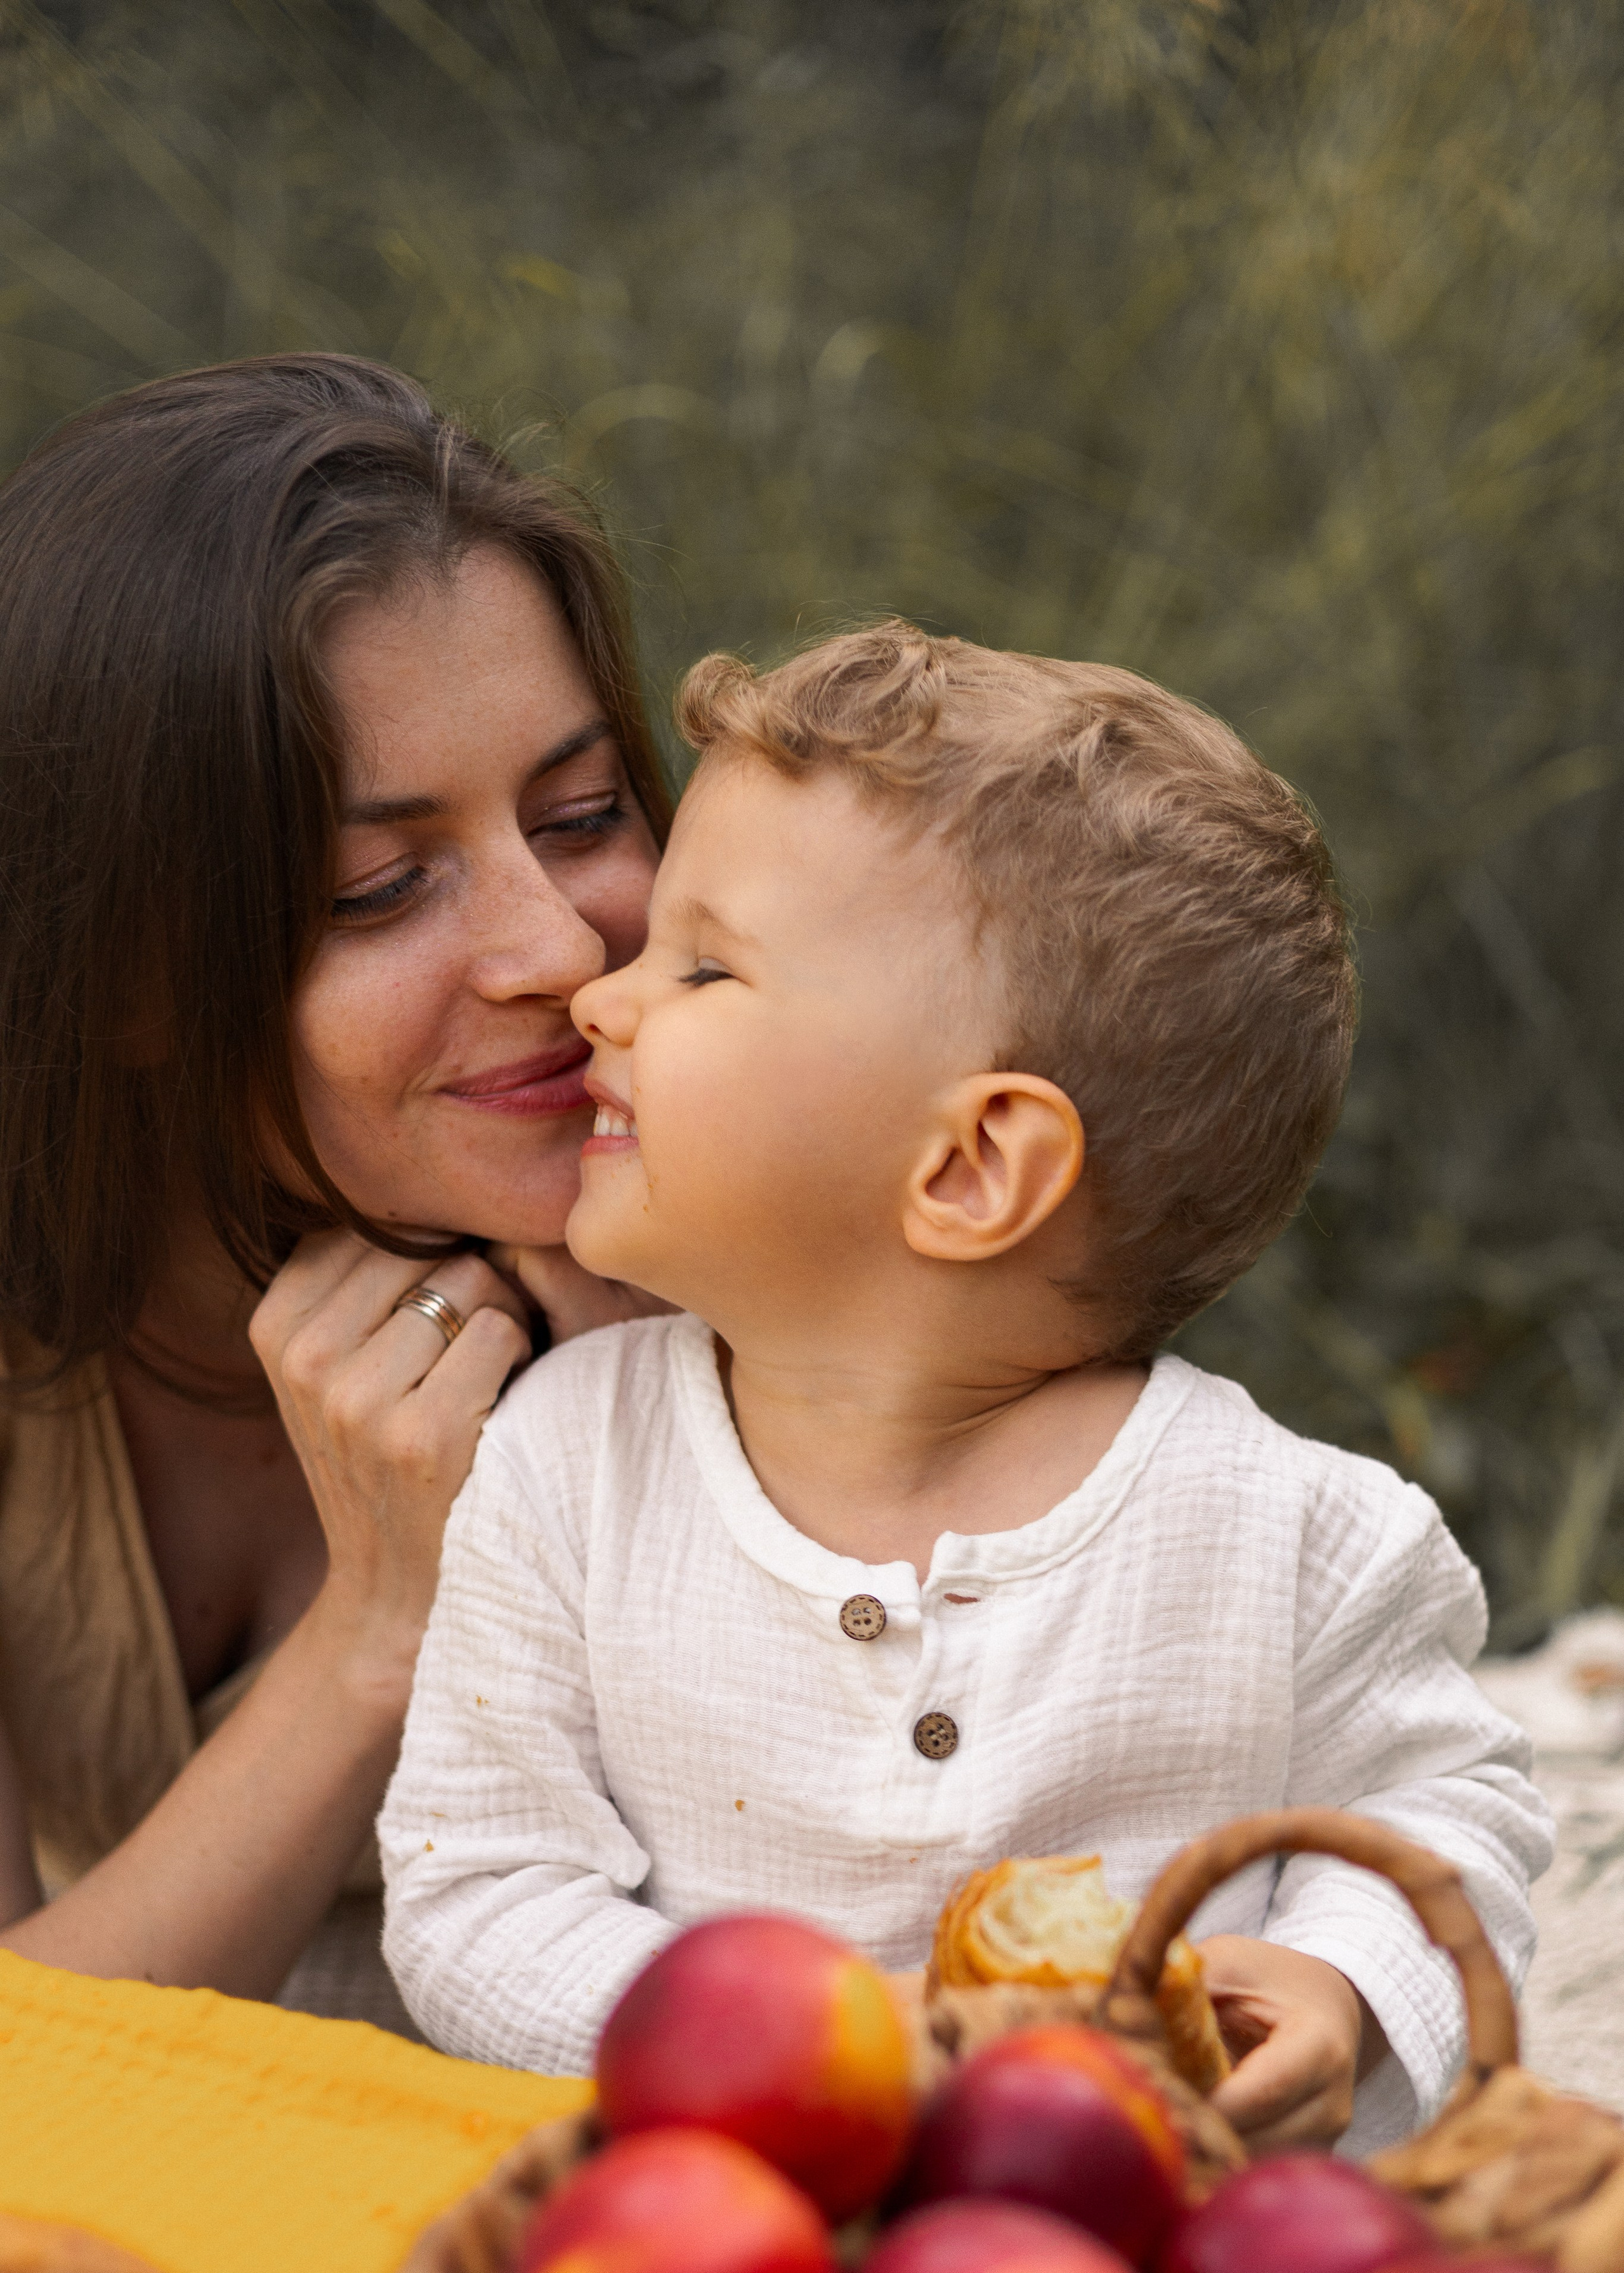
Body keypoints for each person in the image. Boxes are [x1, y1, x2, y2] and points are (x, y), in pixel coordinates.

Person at [380, 622, 1552, 2149]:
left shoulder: (1294, 1538)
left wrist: (1338, 1987)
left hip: (1155, 2243)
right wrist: (781, 2059)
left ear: (969, 1165)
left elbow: (1446, 1820)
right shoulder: (566, 1469)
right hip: (734, 2231)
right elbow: (481, 1890)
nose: (603, 997)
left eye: (706, 966)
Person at [0, 354, 670, 2025]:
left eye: (581, 813)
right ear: (132, 972)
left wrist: (702, 1432)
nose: (558, 945)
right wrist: (382, 1621)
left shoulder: (748, 1239)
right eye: (383, 888)